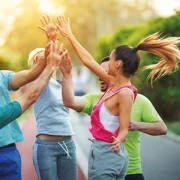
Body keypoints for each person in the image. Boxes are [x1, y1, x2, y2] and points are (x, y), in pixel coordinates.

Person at [57, 15, 180, 180]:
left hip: (109, 155)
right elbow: (88, 61)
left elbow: (124, 130)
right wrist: (70, 35)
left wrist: (119, 139)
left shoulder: (125, 93)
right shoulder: (113, 83)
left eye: (112, 57)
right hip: (107, 154)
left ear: (118, 64)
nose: (108, 60)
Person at [60, 55, 167, 180]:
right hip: (105, 168)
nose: (100, 76)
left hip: (132, 172)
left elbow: (162, 128)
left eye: (105, 72)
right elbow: (70, 101)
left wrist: (137, 125)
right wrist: (66, 75)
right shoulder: (95, 100)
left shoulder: (139, 100)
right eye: (99, 71)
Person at [0, 40, 68, 180]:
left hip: (8, 152)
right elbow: (29, 97)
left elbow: (30, 73)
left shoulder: (2, 76)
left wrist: (49, 46)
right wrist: (50, 66)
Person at [30, 15, 77, 180]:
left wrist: (68, 73)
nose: (42, 60)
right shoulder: (36, 82)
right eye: (38, 61)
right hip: (46, 147)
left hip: (68, 145)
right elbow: (45, 61)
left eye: (43, 57)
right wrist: (51, 38)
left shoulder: (62, 83)